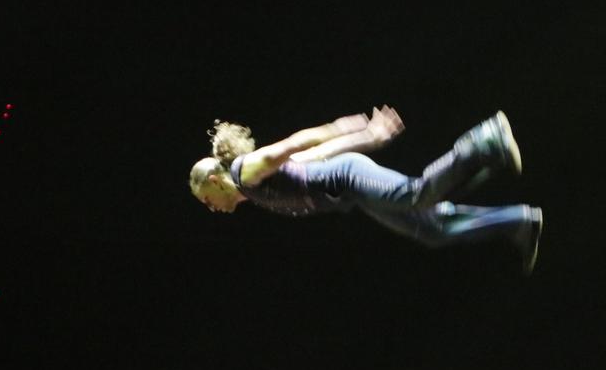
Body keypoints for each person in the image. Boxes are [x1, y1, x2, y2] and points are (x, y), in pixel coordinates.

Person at [187, 107, 544, 273]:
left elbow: (291, 146)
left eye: (206, 200)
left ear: (215, 182)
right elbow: (314, 157)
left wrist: (343, 128)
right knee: (430, 229)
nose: (211, 207)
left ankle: (484, 140)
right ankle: (518, 222)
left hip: (350, 178)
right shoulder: (255, 189)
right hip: (352, 188)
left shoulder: (244, 172)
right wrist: (364, 138)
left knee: (415, 195)